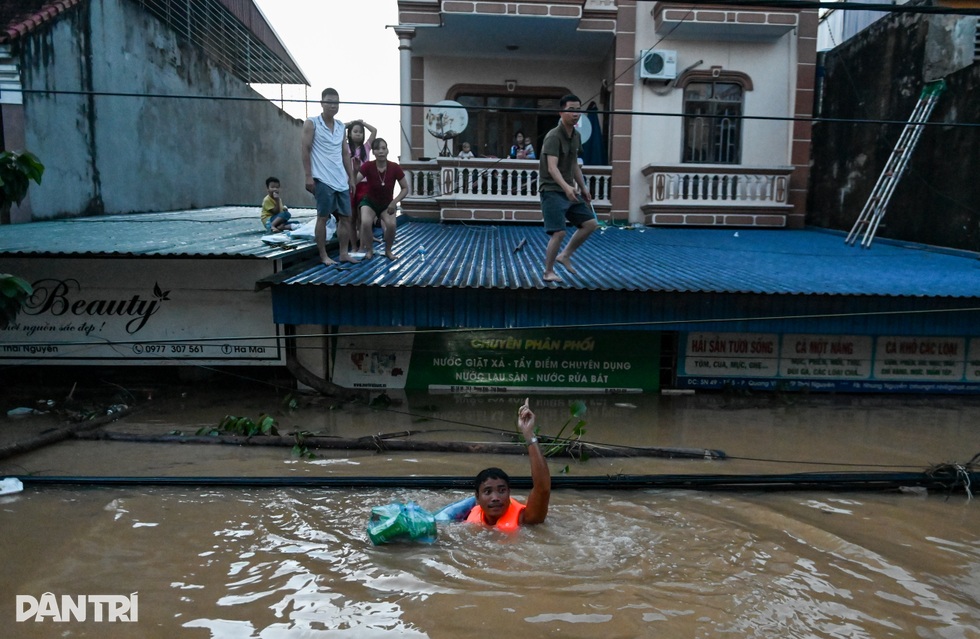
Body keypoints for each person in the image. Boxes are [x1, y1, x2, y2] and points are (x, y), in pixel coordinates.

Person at [538, 94, 598, 283]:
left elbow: (573, 165)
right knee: (559, 232)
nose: (576, 114)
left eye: (578, 109)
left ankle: (565, 255)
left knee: (590, 224)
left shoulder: (576, 136)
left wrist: (583, 187)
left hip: (568, 190)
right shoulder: (553, 136)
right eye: (571, 110)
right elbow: (551, 167)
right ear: (561, 112)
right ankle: (548, 272)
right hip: (552, 190)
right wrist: (566, 187)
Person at [466, 398, 550, 530]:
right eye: (487, 492)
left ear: (509, 492)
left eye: (502, 491)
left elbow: (543, 489)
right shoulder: (470, 516)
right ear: (477, 497)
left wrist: (529, 435)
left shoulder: (525, 519)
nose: (495, 498)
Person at [302, 88, 358, 266]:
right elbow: (305, 149)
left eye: (336, 102)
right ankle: (324, 255)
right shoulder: (312, 123)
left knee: (346, 217)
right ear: (322, 103)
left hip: (341, 179)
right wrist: (308, 176)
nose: (333, 105)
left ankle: (343, 253)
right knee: (323, 217)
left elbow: (344, 154)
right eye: (329, 101)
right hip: (322, 178)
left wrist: (351, 177)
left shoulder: (341, 126)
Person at [355, 138, 408, 260]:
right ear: (373, 152)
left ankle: (388, 250)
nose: (381, 151)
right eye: (377, 149)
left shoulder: (395, 167)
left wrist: (394, 203)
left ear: (388, 150)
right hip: (370, 202)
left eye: (383, 148)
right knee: (366, 222)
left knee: (391, 225)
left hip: (387, 203)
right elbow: (354, 181)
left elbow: (405, 188)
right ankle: (369, 250)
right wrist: (355, 170)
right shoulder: (368, 166)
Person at [347, 120, 378, 252]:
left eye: (360, 132)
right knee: (351, 218)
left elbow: (374, 131)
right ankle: (353, 246)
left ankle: (361, 246)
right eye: (355, 131)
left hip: (364, 185)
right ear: (349, 134)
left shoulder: (366, 148)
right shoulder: (346, 147)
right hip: (349, 185)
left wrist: (363, 123)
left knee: (362, 217)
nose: (358, 134)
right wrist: (349, 124)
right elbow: (337, 131)